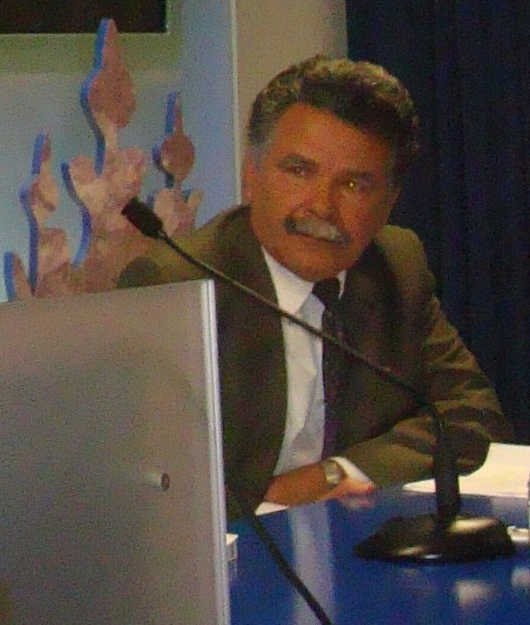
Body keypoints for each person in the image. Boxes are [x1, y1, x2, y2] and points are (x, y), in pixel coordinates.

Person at [119, 56, 508, 514]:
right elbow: (144, 485)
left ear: (390, 201)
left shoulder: (395, 265)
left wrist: (335, 474)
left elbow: (471, 416)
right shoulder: (178, 287)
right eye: (299, 171)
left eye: (354, 184)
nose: (321, 206)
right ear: (252, 175)